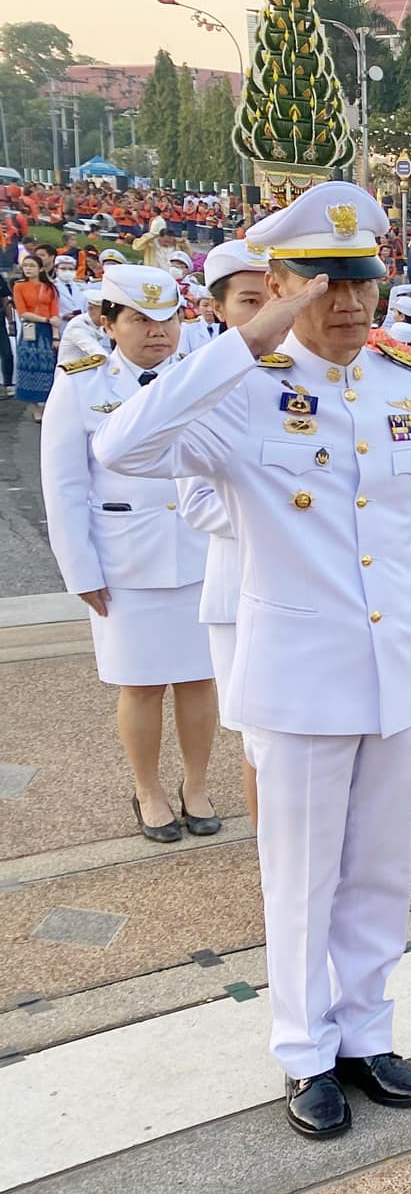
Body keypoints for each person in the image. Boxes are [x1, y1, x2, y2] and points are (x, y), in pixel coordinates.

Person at [93, 181, 411, 1140]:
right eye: (320, 282)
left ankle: (366, 1030)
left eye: (362, 281)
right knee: (300, 872)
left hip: (396, 670)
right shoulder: (240, 396)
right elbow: (120, 447)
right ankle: (305, 1049)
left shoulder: (409, 388)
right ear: (277, 284)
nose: (346, 303)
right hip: (298, 679)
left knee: (380, 867)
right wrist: (246, 343)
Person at [42, 264, 219, 843]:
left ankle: (196, 784)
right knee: (140, 684)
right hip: (124, 560)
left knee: (200, 679)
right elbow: (64, 485)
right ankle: (148, 789)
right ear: (108, 322)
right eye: (140, 319)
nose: (157, 332)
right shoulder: (82, 383)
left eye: (167, 318)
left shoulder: (200, 377)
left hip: (198, 552)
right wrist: (80, 569)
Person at [179, 239, 274, 829]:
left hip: (321, 590)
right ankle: (275, 857)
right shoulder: (207, 384)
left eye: (274, 297)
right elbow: (196, 502)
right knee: (262, 740)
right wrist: (284, 514)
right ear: (218, 310)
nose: (267, 314)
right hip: (242, 587)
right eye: (249, 302)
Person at [12, 253, 58, 419]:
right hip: (31, 328)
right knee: (27, 367)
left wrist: (55, 336)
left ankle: (48, 405)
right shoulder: (19, 286)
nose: (28, 269)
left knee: (47, 367)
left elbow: (55, 314)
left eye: (32, 266)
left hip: (47, 331)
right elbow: (23, 312)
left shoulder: (50, 288)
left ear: (40, 268)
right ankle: (34, 408)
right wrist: (45, 319)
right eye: (26, 266)